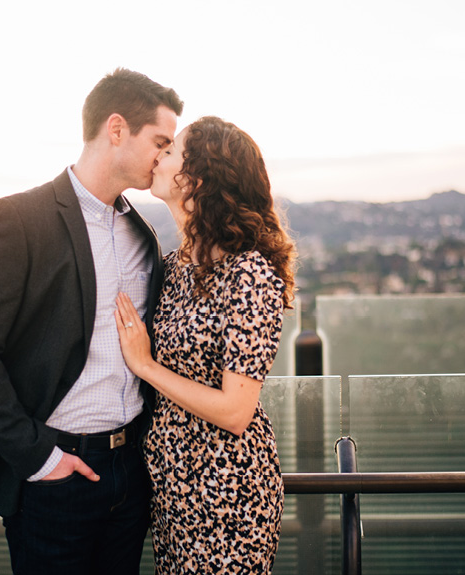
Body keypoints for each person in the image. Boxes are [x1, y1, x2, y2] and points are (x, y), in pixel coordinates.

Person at [0, 68, 183, 575]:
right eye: (160, 141)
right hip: (55, 475)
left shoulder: (144, 234)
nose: (165, 156)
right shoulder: (20, 218)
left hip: (131, 472)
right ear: (116, 129)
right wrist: (43, 460)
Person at [114, 116, 297, 574]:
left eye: (171, 150)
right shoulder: (174, 266)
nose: (159, 155)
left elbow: (236, 412)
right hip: (173, 491)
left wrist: (145, 365)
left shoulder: (249, 273)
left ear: (195, 179)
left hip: (227, 493)